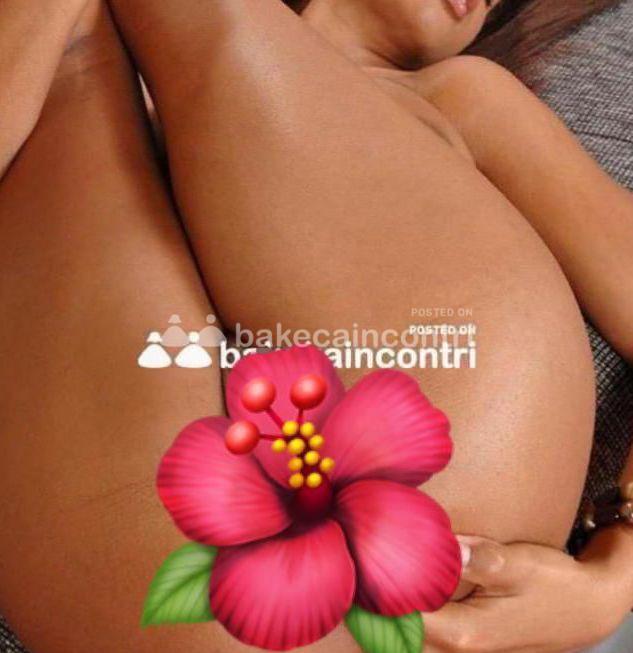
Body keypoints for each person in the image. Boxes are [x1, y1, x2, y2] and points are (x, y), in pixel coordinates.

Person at [0, 2, 629, 653]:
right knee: (76, 65)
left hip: (436, 512)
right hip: (167, 577)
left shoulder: (451, 95)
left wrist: (616, 573)